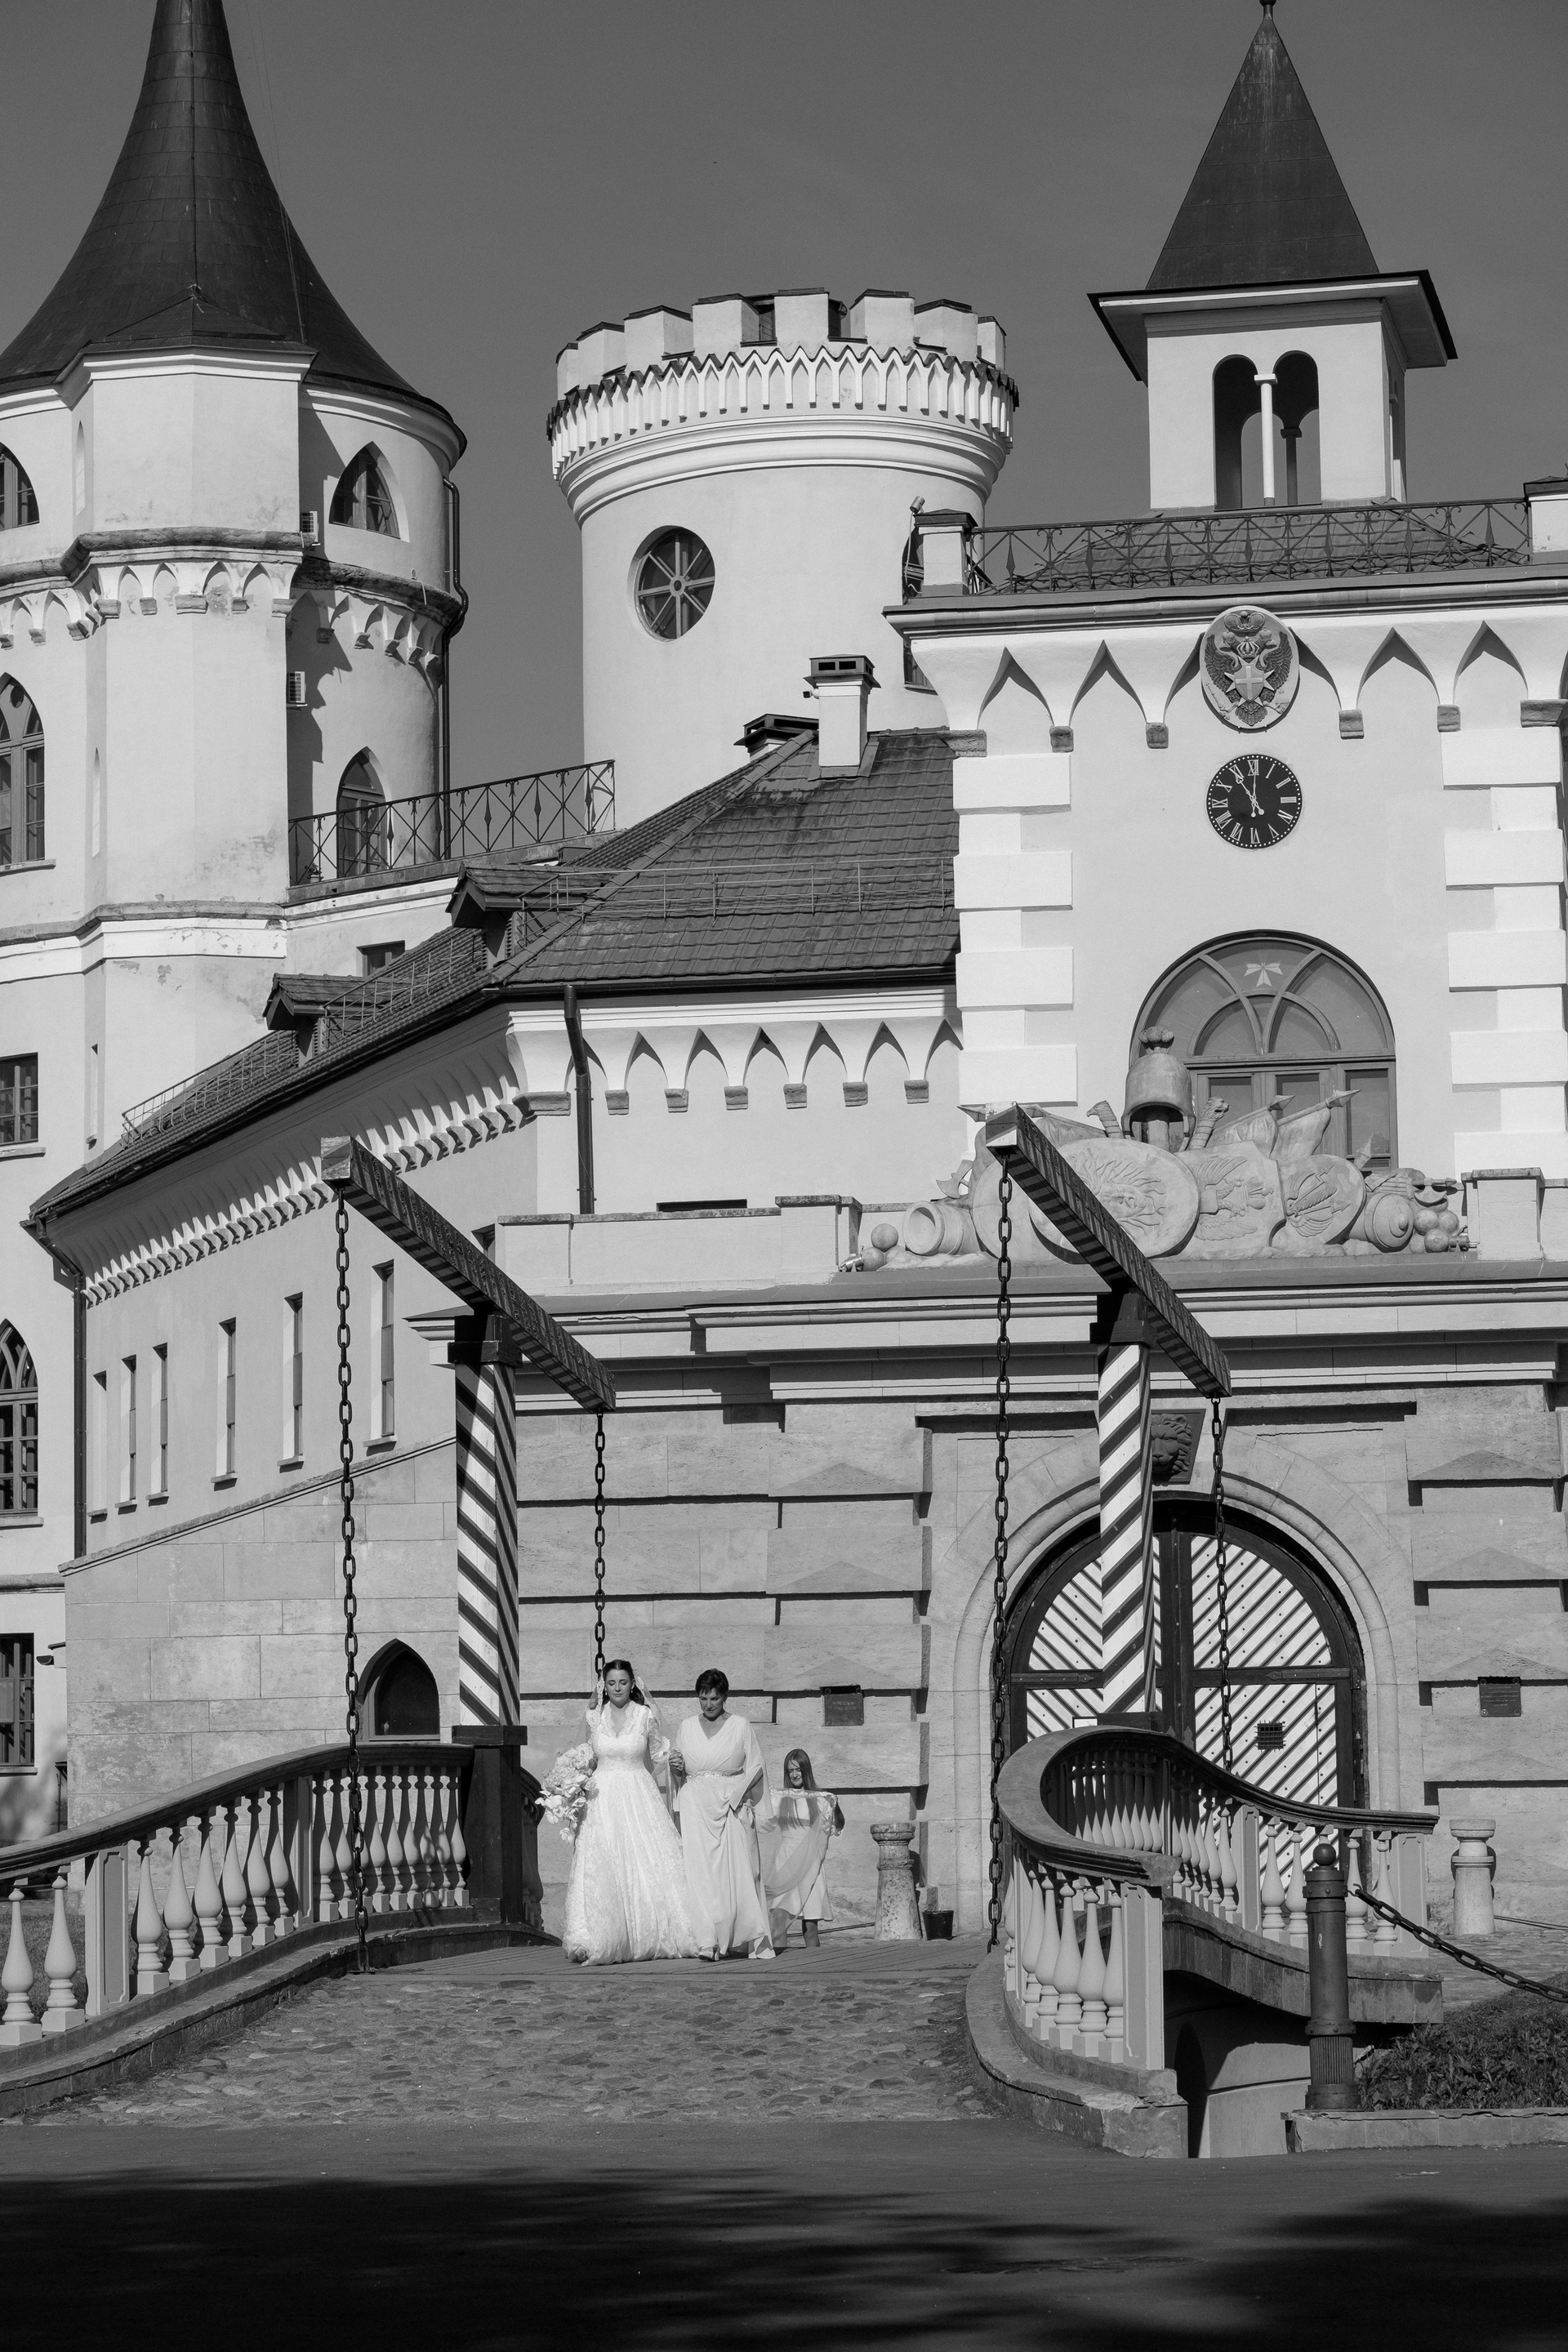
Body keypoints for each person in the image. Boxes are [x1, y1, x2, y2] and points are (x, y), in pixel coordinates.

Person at [563, 1659, 700, 1965]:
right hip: (601, 1799)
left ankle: (652, 1932)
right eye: (611, 1683)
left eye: (623, 1682)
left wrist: (675, 1760)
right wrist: (570, 1781)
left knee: (647, 1861)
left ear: (632, 1683)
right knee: (602, 1863)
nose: (617, 1688)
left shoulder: (645, 1715)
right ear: (603, 1685)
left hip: (638, 1795)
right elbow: (584, 1757)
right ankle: (595, 1935)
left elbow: (660, 1753)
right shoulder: (594, 1717)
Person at [670, 1668, 774, 1961]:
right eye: (703, 1698)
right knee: (700, 1874)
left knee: (736, 1872)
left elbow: (756, 1767)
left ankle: (742, 1937)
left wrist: (738, 1797)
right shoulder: (686, 1727)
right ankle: (707, 1940)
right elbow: (679, 1773)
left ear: (724, 1697)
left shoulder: (740, 1725)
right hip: (695, 1807)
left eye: (714, 1698)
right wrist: (675, 1767)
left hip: (730, 1805)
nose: (708, 1705)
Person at [762, 1748, 844, 1949]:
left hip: (810, 1862)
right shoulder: (780, 1798)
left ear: (806, 1770)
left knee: (811, 1924)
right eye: (790, 1771)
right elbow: (765, 1824)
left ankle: (814, 1964)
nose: (795, 1775)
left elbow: (834, 1828)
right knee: (779, 1918)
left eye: (798, 1770)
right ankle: (780, 1963)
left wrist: (835, 1806)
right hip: (786, 1860)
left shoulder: (819, 1799)